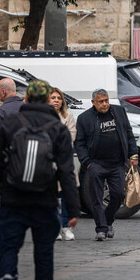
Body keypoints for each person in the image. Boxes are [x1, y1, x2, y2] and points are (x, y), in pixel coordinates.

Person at [0, 80, 78, 280]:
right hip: (44, 200)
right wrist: (73, 209)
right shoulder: (58, 128)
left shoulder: (10, 123)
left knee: (10, 248)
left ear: (25, 99)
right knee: (44, 251)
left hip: (13, 198)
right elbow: (66, 171)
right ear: (47, 101)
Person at [74, 89, 137, 241]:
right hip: (96, 164)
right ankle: (101, 229)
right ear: (93, 102)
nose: (105, 104)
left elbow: (128, 133)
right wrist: (87, 162)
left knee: (118, 195)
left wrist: (133, 154)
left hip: (117, 163)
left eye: (106, 100)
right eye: (101, 101)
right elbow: (79, 143)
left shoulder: (119, 112)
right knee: (96, 198)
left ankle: (108, 221)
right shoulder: (84, 118)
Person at [48, 87, 77, 242]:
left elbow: (71, 136)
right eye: (53, 98)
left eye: (59, 98)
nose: (57, 100)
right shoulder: (43, 118)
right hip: (47, 163)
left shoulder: (68, 117)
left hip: (64, 162)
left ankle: (66, 227)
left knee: (66, 195)